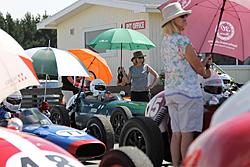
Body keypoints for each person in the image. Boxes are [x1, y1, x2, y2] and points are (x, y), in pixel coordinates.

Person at [160, 2, 211, 166]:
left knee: (176, 134)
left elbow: (183, 64)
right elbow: (198, 68)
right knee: (187, 134)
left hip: (171, 93)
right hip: (188, 93)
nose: (186, 19)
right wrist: (206, 69)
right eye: (182, 16)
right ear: (173, 20)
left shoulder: (165, 42)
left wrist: (202, 64)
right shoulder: (183, 41)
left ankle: (176, 165)